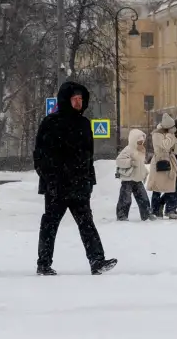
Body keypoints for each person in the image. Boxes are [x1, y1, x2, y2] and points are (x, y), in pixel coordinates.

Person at [33, 80, 115, 274]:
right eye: (74, 99)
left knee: (87, 223)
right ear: (65, 100)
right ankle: (43, 264)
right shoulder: (51, 123)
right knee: (50, 224)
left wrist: (89, 180)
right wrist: (49, 179)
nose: (78, 102)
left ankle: (97, 261)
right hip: (57, 185)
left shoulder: (85, 124)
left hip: (79, 184)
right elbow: (40, 155)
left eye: (81, 99)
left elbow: (88, 155)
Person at [147, 120, 177, 219]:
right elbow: (165, 145)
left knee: (174, 186)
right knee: (157, 188)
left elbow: (176, 150)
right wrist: (171, 136)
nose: (174, 129)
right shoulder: (157, 134)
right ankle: (155, 210)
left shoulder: (170, 135)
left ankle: (170, 209)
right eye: (172, 127)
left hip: (170, 162)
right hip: (160, 162)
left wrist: (174, 141)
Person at [114, 128, 152, 221]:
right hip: (128, 178)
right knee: (125, 199)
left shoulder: (141, 150)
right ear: (133, 140)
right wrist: (130, 162)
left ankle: (146, 214)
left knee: (143, 198)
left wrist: (145, 172)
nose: (141, 144)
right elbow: (119, 161)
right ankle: (122, 215)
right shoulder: (128, 149)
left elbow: (140, 164)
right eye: (139, 142)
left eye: (142, 142)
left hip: (137, 179)